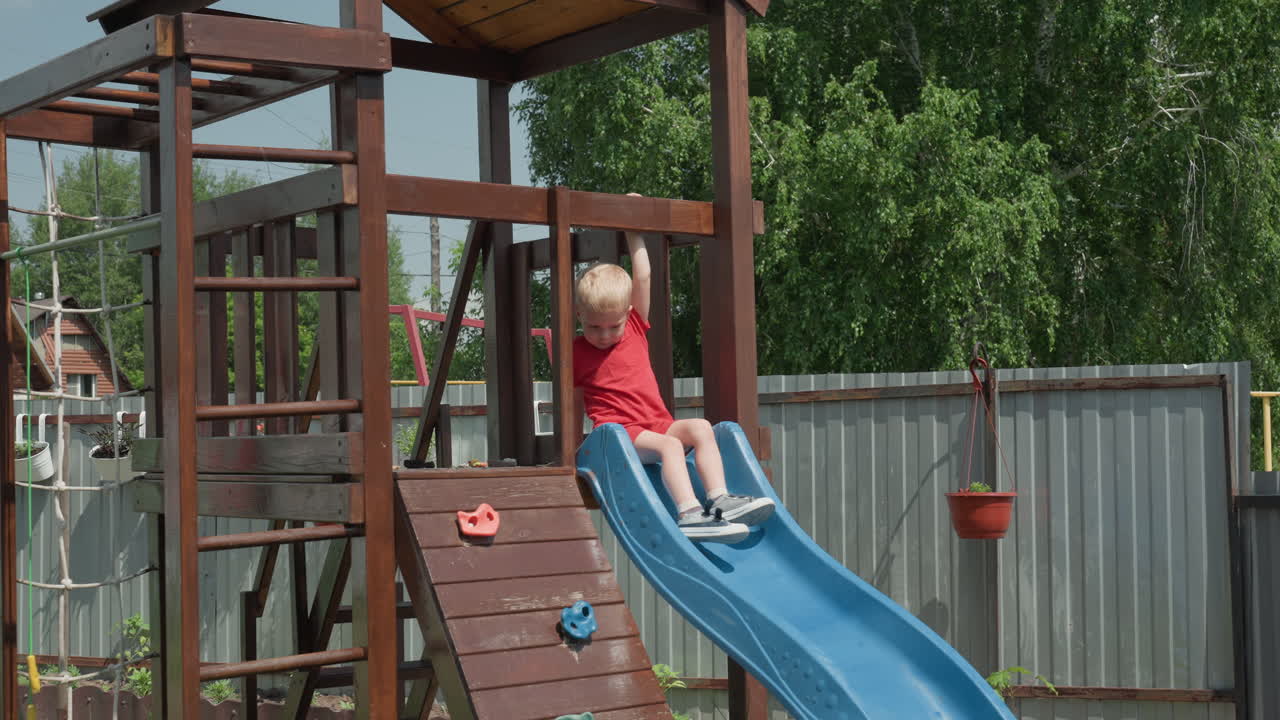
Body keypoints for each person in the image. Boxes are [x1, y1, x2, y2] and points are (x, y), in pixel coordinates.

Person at [572, 225, 774, 543]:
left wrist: (633, 233)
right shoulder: (577, 352)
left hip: (655, 424)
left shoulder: (636, 326)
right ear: (579, 314)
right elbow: (573, 401)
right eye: (593, 326)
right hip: (621, 435)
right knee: (671, 446)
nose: (605, 334)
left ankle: (720, 499)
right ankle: (690, 514)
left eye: (614, 326)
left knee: (701, 427)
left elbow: (644, 276)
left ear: (628, 314)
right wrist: (574, 446)